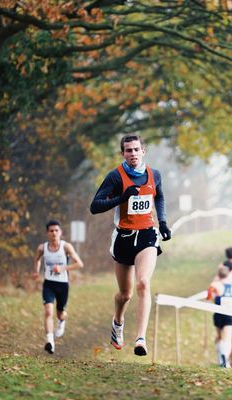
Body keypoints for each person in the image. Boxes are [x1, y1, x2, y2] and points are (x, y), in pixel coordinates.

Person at [90, 134, 171, 356]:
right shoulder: (115, 177)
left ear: (143, 151)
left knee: (143, 283)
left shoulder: (154, 174)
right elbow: (94, 206)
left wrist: (162, 222)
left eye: (136, 149)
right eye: (128, 150)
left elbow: (160, 196)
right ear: (123, 153)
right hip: (124, 238)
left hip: (147, 235)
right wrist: (121, 198)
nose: (133, 154)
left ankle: (140, 339)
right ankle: (118, 321)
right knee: (125, 294)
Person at [32, 220, 84, 354]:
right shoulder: (42, 248)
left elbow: (79, 264)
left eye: (56, 230)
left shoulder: (66, 247)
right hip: (48, 284)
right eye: (51, 231)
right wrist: (36, 272)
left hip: (63, 285)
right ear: (47, 233)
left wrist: (62, 268)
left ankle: (62, 321)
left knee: (60, 313)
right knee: (48, 312)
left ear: (60, 232)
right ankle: (50, 342)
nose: (54, 233)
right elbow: (37, 260)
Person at [207, 265, 232, 368]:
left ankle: (220, 359)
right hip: (228, 315)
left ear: (218, 275)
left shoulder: (214, 285)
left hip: (218, 314)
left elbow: (208, 297)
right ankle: (225, 360)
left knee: (219, 337)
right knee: (227, 339)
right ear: (229, 274)